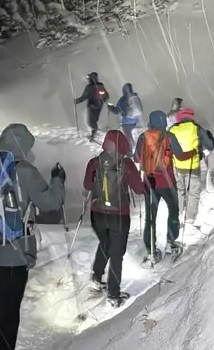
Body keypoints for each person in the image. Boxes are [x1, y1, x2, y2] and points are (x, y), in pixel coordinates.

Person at [0, 124, 66, 350]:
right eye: (29, 146)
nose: (31, 151)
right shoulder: (25, 171)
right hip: (14, 247)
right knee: (9, 305)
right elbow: (49, 202)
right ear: (22, 145)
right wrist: (58, 180)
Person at [82, 129, 144, 307]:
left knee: (105, 243)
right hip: (119, 215)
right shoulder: (126, 164)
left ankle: (96, 276)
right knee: (117, 254)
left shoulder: (94, 162)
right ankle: (114, 294)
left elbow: (87, 185)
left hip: (98, 213)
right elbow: (139, 189)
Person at [134, 110, 181, 264]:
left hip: (150, 183)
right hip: (168, 183)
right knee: (173, 212)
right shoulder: (169, 137)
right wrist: (194, 152)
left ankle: (151, 251)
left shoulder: (143, 137)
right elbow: (180, 155)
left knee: (150, 218)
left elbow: (136, 157)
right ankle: (171, 243)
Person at [168, 108, 214, 227]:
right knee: (193, 192)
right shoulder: (196, 128)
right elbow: (209, 145)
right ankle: (190, 218)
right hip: (192, 165)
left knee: (180, 190)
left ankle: (179, 213)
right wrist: (210, 136)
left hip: (177, 165)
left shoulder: (172, 129)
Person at [74, 72, 110, 143]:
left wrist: (77, 101)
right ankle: (94, 132)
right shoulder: (101, 85)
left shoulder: (89, 87)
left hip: (91, 105)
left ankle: (94, 134)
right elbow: (106, 95)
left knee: (91, 121)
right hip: (99, 106)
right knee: (95, 120)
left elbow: (84, 97)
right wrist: (103, 101)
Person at [108, 83, 143, 149]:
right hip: (135, 121)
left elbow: (116, 111)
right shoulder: (135, 97)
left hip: (126, 122)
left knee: (128, 138)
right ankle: (136, 147)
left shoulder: (123, 100)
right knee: (132, 137)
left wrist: (110, 107)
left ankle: (130, 150)